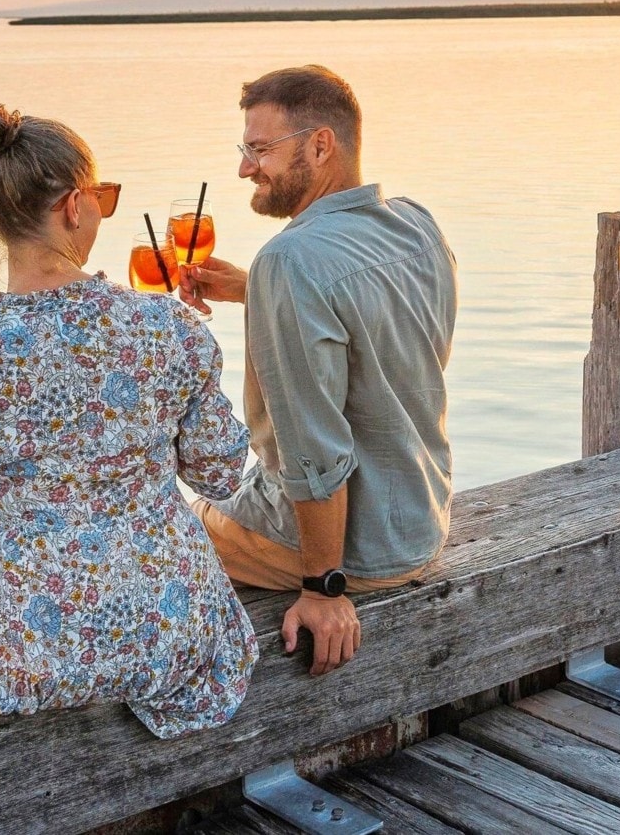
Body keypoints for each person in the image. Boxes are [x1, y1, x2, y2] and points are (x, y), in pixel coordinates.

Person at [0, 104, 258, 738]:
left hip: (27, 650)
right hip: (172, 627)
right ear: (74, 206)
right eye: (103, 196)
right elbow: (220, 474)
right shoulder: (169, 329)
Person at [177, 65, 456, 677]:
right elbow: (387, 349)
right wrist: (260, 294)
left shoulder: (289, 259)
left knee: (161, 520)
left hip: (350, 552)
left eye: (259, 150)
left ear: (320, 144)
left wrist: (323, 589)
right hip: (420, 517)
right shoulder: (415, 224)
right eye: (243, 150)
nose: (245, 169)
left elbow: (314, 448)